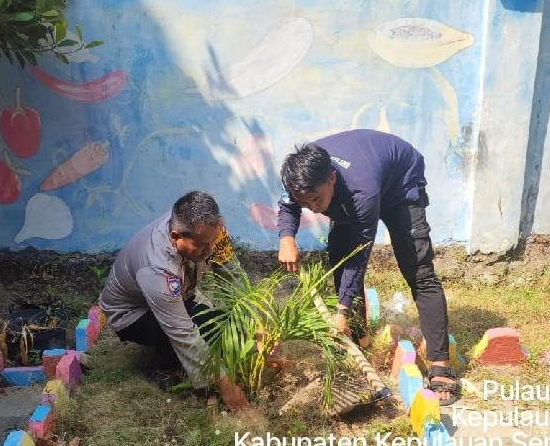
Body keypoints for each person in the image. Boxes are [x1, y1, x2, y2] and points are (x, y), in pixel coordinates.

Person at [275, 130, 460, 406]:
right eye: (305, 203)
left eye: (316, 199)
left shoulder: (361, 191)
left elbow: (359, 257)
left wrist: (340, 310)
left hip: (400, 181)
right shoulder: (302, 171)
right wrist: (286, 238)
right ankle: (358, 338)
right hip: (361, 180)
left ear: (332, 179)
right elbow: (289, 205)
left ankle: (440, 364)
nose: (312, 209)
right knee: (338, 253)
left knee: (418, 270)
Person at [99, 190, 249, 411]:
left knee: (217, 325)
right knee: (187, 334)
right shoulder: (157, 270)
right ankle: (165, 368)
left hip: (181, 294)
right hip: (132, 313)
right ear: (175, 237)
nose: (210, 250)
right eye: (202, 246)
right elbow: (182, 331)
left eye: (212, 242)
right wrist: (226, 386)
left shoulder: (211, 232)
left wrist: (252, 317)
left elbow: (231, 272)